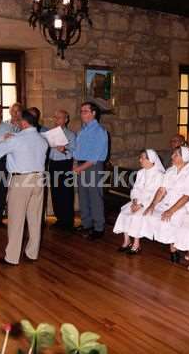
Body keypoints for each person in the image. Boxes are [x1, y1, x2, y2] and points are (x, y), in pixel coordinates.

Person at [0, 110, 48, 265]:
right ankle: (32, 253)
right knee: (35, 219)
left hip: (21, 180)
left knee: (16, 219)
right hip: (39, 179)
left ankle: (12, 257)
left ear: (24, 122)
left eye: (17, 120)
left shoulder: (17, 139)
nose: (15, 123)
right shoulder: (42, 140)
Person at [142, 146, 189, 262]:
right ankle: (173, 248)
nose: (172, 157)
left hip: (183, 205)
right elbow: (162, 190)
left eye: (175, 155)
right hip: (167, 202)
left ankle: (176, 250)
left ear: (184, 158)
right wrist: (152, 205)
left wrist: (171, 211)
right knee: (149, 215)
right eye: (173, 154)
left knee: (170, 220)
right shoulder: (170, 171)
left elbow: (187, 196)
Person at [113, 149, 165, 254]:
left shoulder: (159, 175)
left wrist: (141, 205)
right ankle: (126, 241)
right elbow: (135, 188)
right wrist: (134, 201)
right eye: (140, 157)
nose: (140, 160)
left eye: (142, 158)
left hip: (152, 203)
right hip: (138, 201)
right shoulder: (141, 172)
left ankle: (136, 244)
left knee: (136, 216)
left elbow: (156, 194)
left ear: (151, 160)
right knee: (125, 212)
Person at [73, 102, 109, 240]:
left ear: (94, 113)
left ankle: (99, 228)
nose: (82, 114)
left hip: (93, 167)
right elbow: (78, 151)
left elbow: (95, 156)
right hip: (82, 165)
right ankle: (87, 224)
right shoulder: (82, 130)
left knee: (95, 198)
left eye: (86, 111)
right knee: (83, 197)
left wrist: (79, 168)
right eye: (81, 111)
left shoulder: (100, 131)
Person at [48, 110, 76, 231]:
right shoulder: (50, 133)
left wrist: (64, 150)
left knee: (66, 193)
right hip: (53, 164)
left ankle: (68, 221)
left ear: (66, 120)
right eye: (55, 117)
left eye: (59, 118)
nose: (56, 120)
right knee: (55, 192)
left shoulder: (71, 135)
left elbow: (75, 152)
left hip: (65, 164)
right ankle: (59, 219)